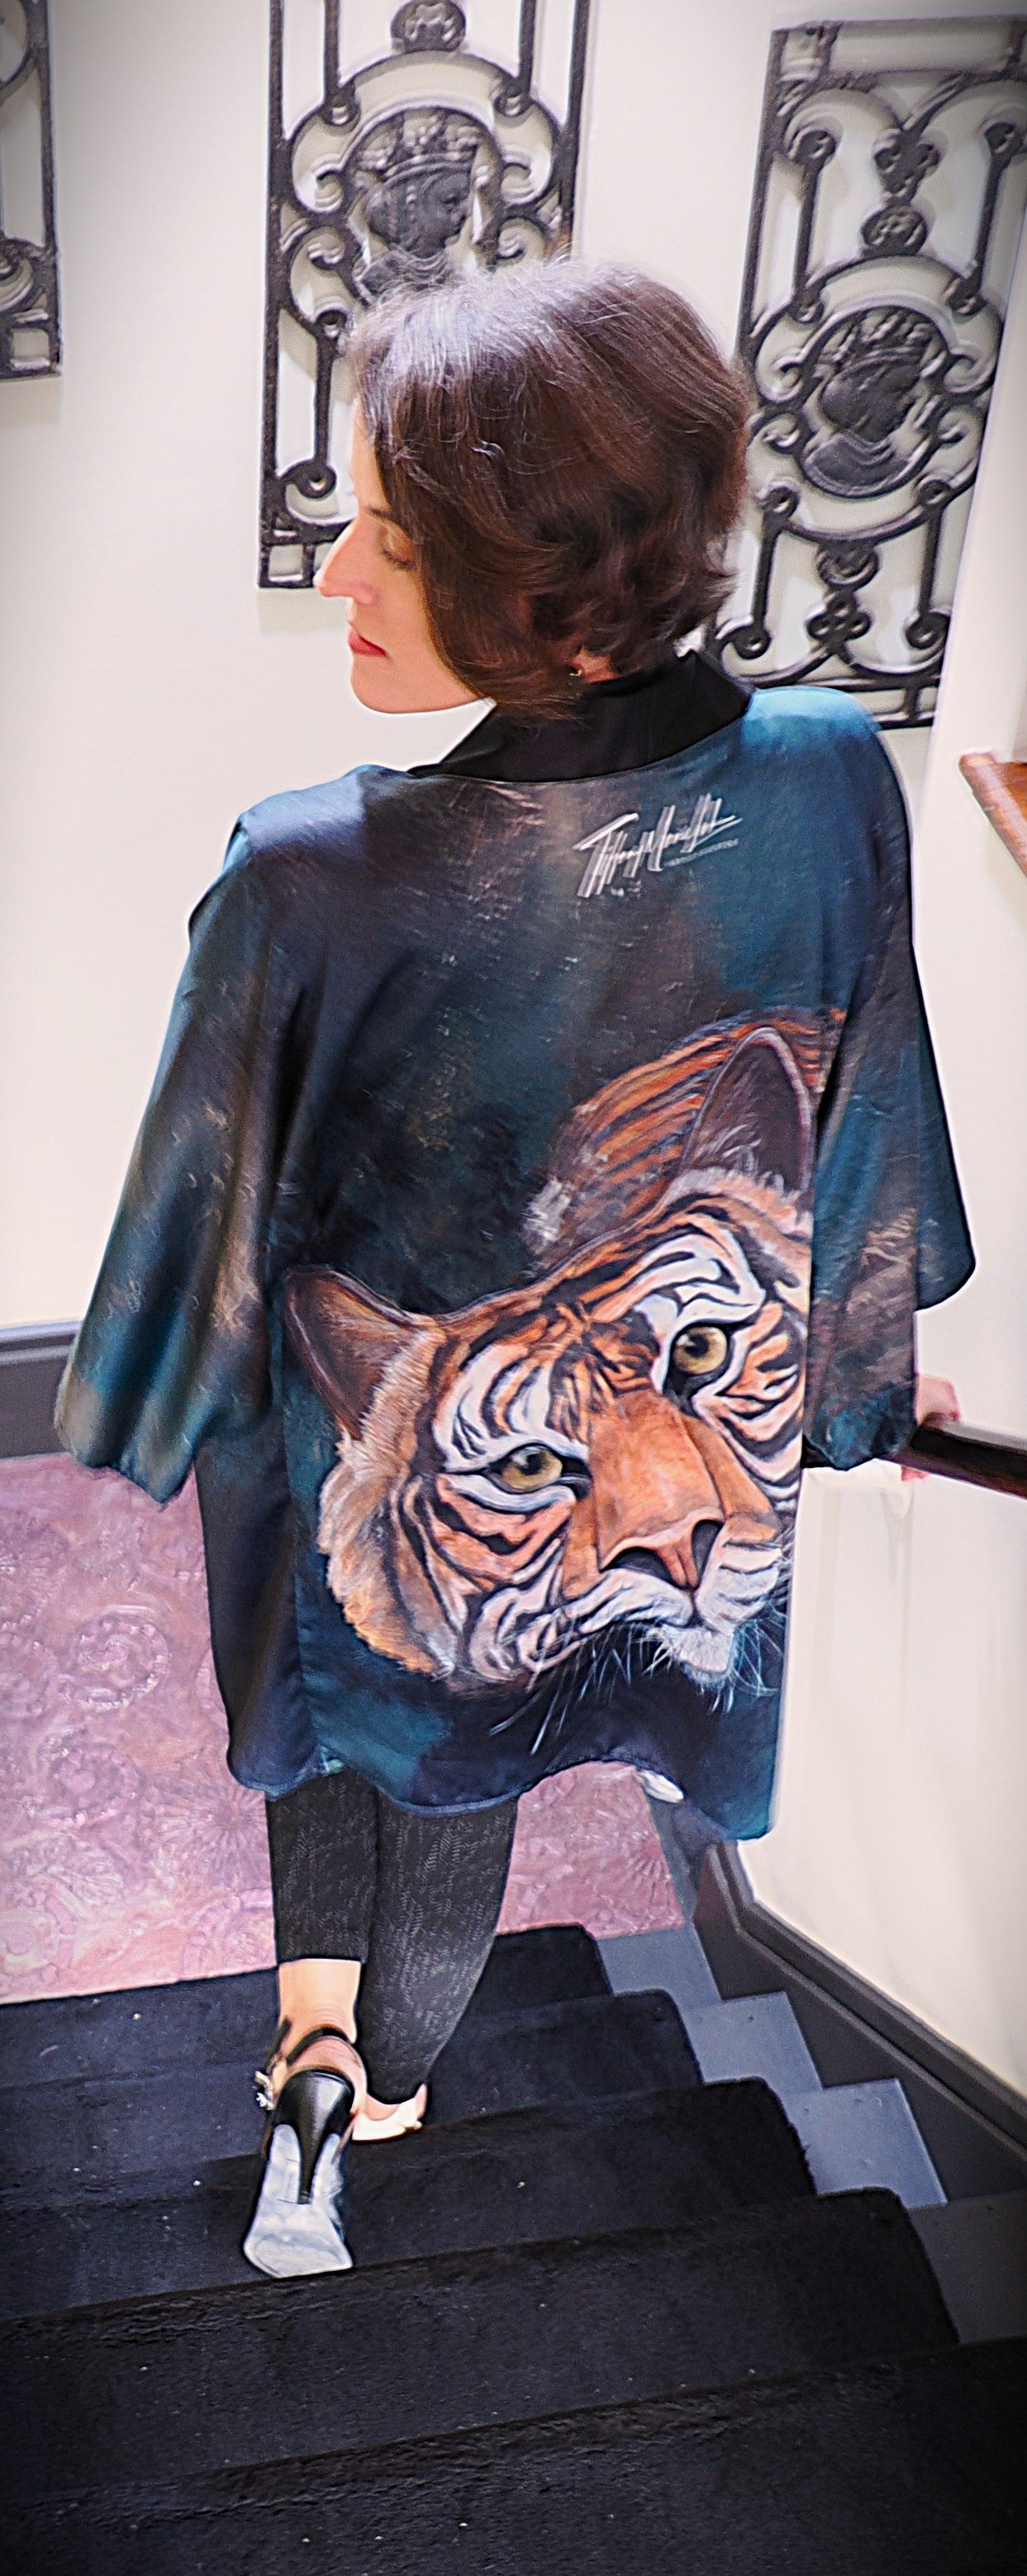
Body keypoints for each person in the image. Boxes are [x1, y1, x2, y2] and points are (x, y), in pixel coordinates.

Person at [56, 261, 971, 2278]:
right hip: (563, 1449)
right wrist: (847, 1374)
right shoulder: (829, 771)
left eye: (386, 541)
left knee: (343, 1708)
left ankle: (328, 2054)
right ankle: (381, 2077)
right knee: (468, 1775)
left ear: (544, 585)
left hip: (394, 1443)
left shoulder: (306, 867)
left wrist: (150, 1409)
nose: (339, 577)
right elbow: (863, 1119)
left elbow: (188, 1260)